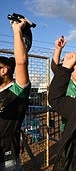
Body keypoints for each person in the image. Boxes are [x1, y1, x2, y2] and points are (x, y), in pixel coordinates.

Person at [0, 19, 31, 170]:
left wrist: (17, 30)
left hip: (7, 156)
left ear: (4, 70)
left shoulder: (18, 90)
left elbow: (21, 63)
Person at [51, 36, 76, 132]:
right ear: (71, 71)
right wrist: (58, 49)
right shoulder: (66, 84)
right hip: (68, 127)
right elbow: (55, 68)